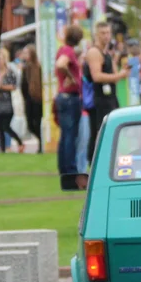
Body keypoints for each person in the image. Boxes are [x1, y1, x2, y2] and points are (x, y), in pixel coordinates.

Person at [83, 21, 128, 160]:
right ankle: (94, 162)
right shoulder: (94, 52)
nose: (106, 36)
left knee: (112, 130)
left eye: (108, 33)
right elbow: (97, 76)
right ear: (96, 35)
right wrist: (119, 75)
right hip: (99, 98)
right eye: (103, 33)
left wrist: (120, 70)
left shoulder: (107, 53)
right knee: (99, 131)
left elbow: (114, 75)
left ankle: (108, 159)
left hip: (110, 97)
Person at [55, 26, 83, 176]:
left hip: (63, 96)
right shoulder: (68, 51)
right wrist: (72, 77)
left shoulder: (62, 49)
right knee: (71, 135)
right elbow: (61, 64)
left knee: (65, 135)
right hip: (69, 97)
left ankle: (63, 168)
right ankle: (70, 170)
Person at [0, 47, 23, 153]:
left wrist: (1, 86)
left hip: (8, 102)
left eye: (1, 58)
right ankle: (2, 149)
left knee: (6, 126)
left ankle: (19, 141)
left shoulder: (10, 71)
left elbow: (13, 86)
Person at [20, 45, 43, 153]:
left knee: (37, 122)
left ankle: (41, 145)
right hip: (29, 99)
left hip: (38, 99)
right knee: (30, 124)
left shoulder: (38, 67)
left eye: (26, 53)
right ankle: (40, 140)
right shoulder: (25, 68)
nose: (24, 55)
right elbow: (23, 85)